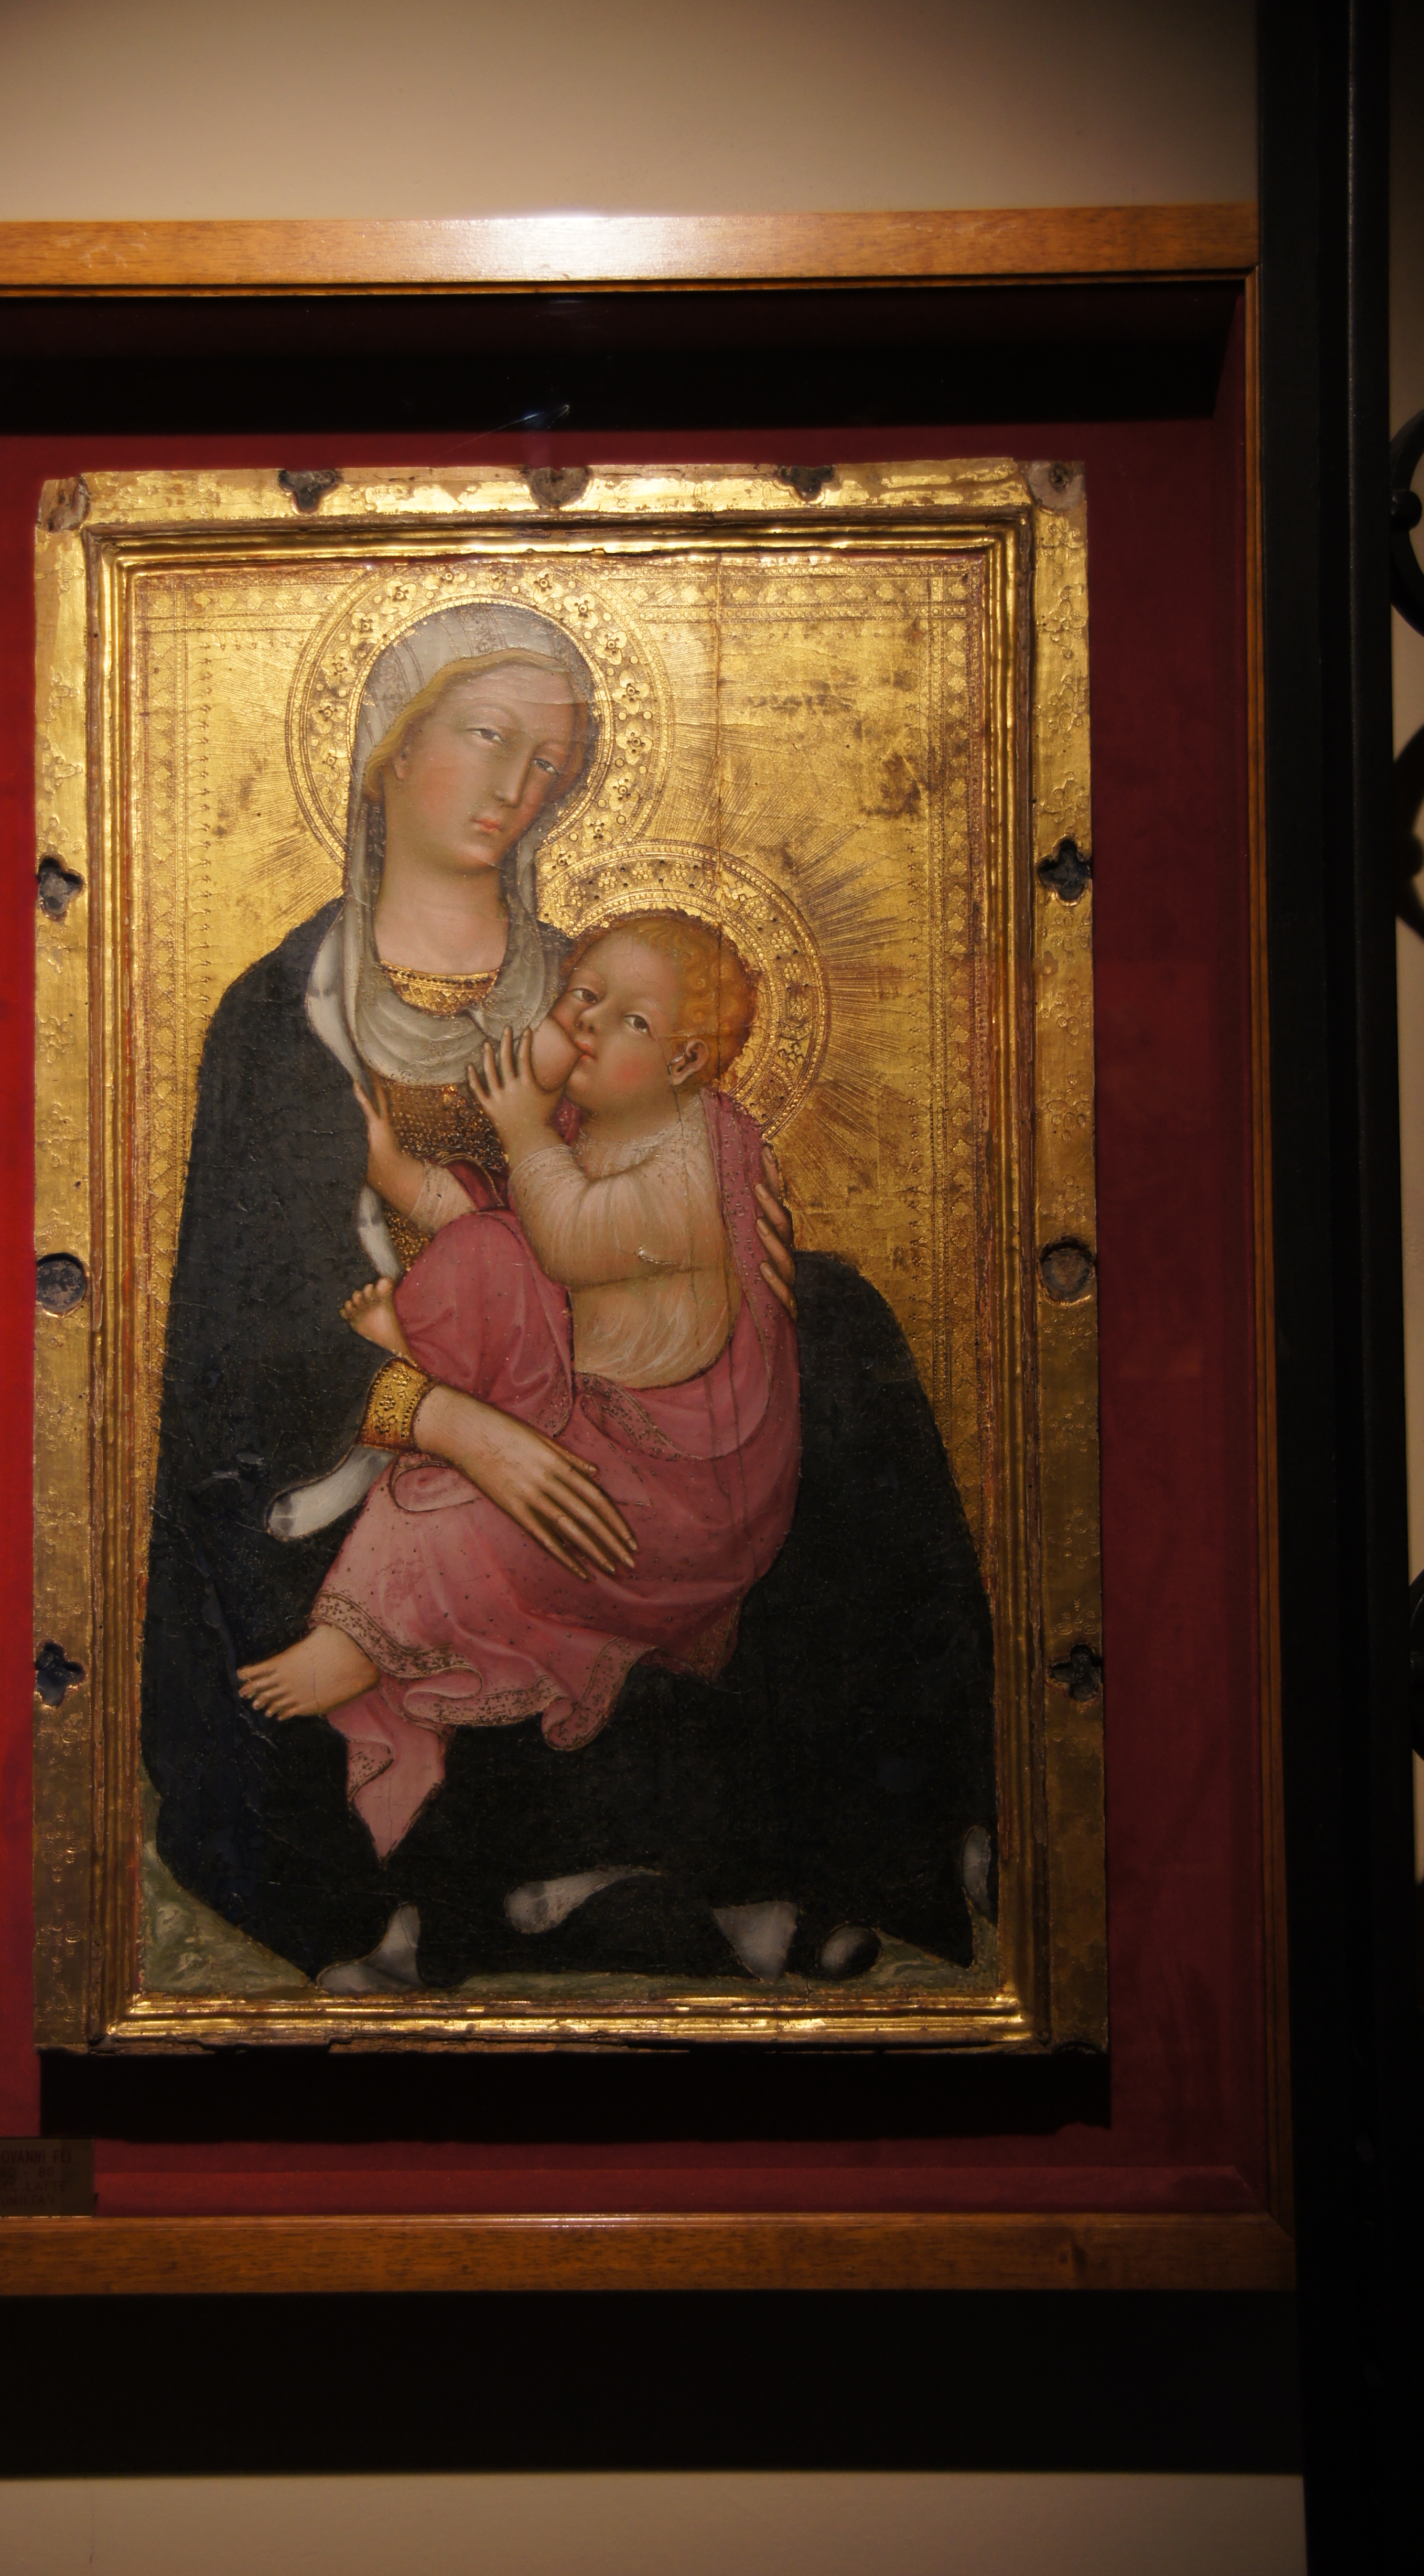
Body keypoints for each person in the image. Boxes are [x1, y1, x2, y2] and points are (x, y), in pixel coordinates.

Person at [141, 599, 995, 1992]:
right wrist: (469, 1428)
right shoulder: (289, 1012)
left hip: (601, 1383)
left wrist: (733, 1251)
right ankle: (540, 1887)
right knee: (390, 1563)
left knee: (841, 1332)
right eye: (486, 737)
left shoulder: (591, 987)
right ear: (388, 747)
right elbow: (243, 1337)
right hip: (371, 1427)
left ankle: (891, 1826)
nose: (515, 786)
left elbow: (650, 1200)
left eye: (549, 760)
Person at [233, 913, 801, 1865]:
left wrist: (522, 1124)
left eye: (629, 1019)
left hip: (672, 1494)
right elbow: (505, 1226)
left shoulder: (694, 1167)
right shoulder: (601, 1125)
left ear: (685, 1059)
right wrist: (394, 1168)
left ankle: (360, 1644)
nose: (587, 1025)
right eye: (583, 995)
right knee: (490, 1250)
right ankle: (413, 1388)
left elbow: (566, 1240)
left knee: (454, 1509)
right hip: (595, 1417)